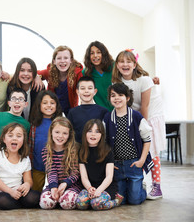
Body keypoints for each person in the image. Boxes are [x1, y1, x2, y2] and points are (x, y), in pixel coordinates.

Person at [112, 49, 165, 199]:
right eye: (121, 61)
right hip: (134, 116)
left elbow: (145, 106)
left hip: (150, 115)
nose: (125, 64)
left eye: (128, 61)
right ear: (117, 65)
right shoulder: (117, 82)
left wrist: (142, 128)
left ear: (134, 64)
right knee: (136, 150)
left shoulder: (144, 80)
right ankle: (140, 181)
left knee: (151, 150)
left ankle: (157, 186)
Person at [103, 83, 153, 205]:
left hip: (134, 163)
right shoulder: (107, 118)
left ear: (128, 98)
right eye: (113, 95)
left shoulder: (136, 117)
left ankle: (142, 188)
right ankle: (128, 188)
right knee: (122, 201)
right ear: (109, 99)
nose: (117, 98)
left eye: (121, 95)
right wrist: (108, 162)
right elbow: (103, 143)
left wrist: (141, 161)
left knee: (135, 200)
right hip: (116, 165)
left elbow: (147, 140)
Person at [0, 123, 40, 210]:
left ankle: (19, 202)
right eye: (10, 135)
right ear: (4, 139)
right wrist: (10, 191)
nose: (14, 138)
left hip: (17, 191)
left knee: (35, 197)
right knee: (3, 201)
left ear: (23, 140)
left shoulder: (25, 159)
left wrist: (27, 185)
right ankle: (21, 204)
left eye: (19, 136)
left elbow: (28, 180)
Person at [76, 119, 123, 210]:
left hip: (106, 187)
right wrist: (89, 188)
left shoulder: (107, 151)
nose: (93, 134)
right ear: (85, 133)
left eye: (97, 132)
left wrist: (99, 190)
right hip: (90, 186)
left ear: (102, 135)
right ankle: (93, 197)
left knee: (96, 204)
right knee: (81, 204)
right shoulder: (81, 151)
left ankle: (116, 201)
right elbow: (84, 177)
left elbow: (109, 177)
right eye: (90, 131)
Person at [39, 117, 82, 210]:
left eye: (65, 133)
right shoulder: (46, 151)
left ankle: (62, 199)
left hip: (71, 185)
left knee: (67, 203)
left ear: (69, 135)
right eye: (57, 132)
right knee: (45, 203)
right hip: (55, 184)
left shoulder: (75, 149)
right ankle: (58, 199)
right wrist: (54, 187)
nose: (60, 136)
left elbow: (76, 172)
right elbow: (51, 171)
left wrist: (65, 183)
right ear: (51, 132)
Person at [28, 90, 62, 191]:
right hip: (38, 167)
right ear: (39, 105)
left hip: (57, 169)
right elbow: (31, 147)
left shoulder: (60, 123)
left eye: (52, 103)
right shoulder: (34, 125)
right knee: (34, 195)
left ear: (56, 105)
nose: (49, 106)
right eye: (45, 103)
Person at [37, 45, 83, 116]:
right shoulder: (50, 72)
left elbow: (86, 84)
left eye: (65, 58)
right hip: (53, 108)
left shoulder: (77, 74)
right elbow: (33, 73)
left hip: (71, 109)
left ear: (71, 60)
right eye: (59, 58)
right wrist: (37, 77)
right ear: (54, 61)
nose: (62, 61)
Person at [67, 76, 108, 144]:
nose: (86, 91)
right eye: (82, 88)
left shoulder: (103, 111)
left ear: (95, 91)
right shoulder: (72, 112)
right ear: (77, 92)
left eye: (90, 88)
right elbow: (70, 134)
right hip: (78, 151)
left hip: (98, 151)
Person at [82, 41, 115, 110]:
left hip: (118, 109)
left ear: (104, 54)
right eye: (92, 53)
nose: (95, 55)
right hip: (101, 112)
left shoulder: (114, 67)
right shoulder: (86, 73)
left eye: (98, 52)